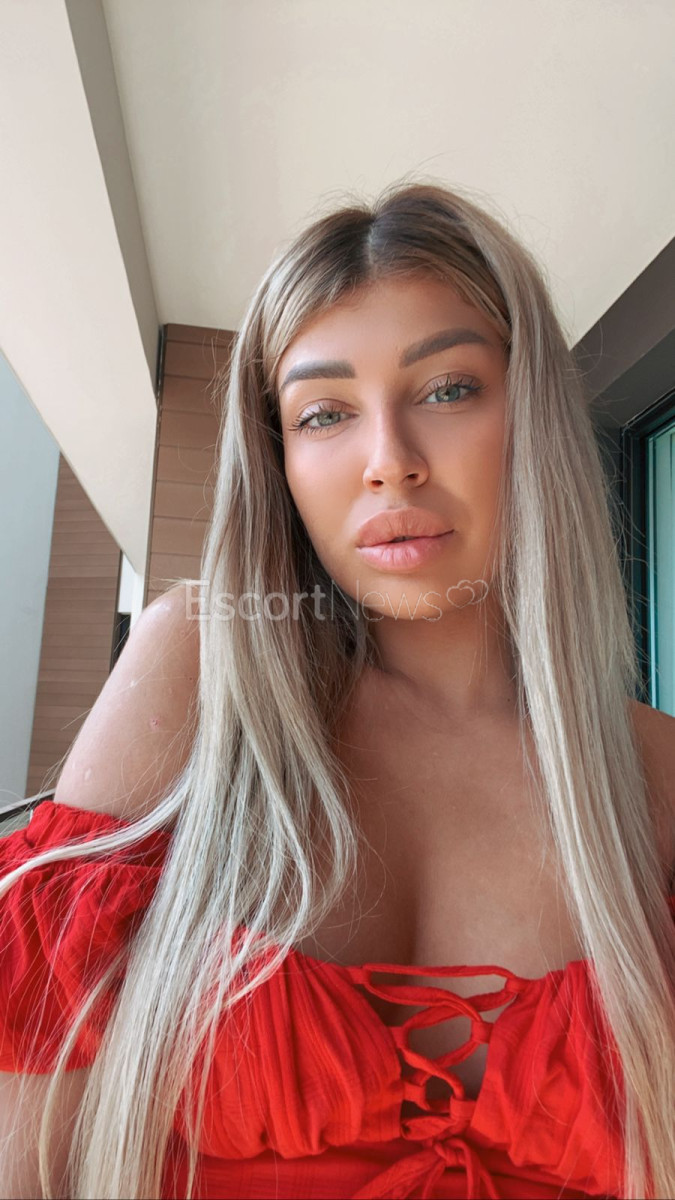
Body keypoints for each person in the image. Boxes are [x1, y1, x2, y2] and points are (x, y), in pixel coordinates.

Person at [1, 180, 674, 1200]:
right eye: (324, 413)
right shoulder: (204, 669)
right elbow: (25, 1153)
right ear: (278, 462)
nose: (389, 463)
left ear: (531, 415)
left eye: (447, 390)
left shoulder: (654, 776)